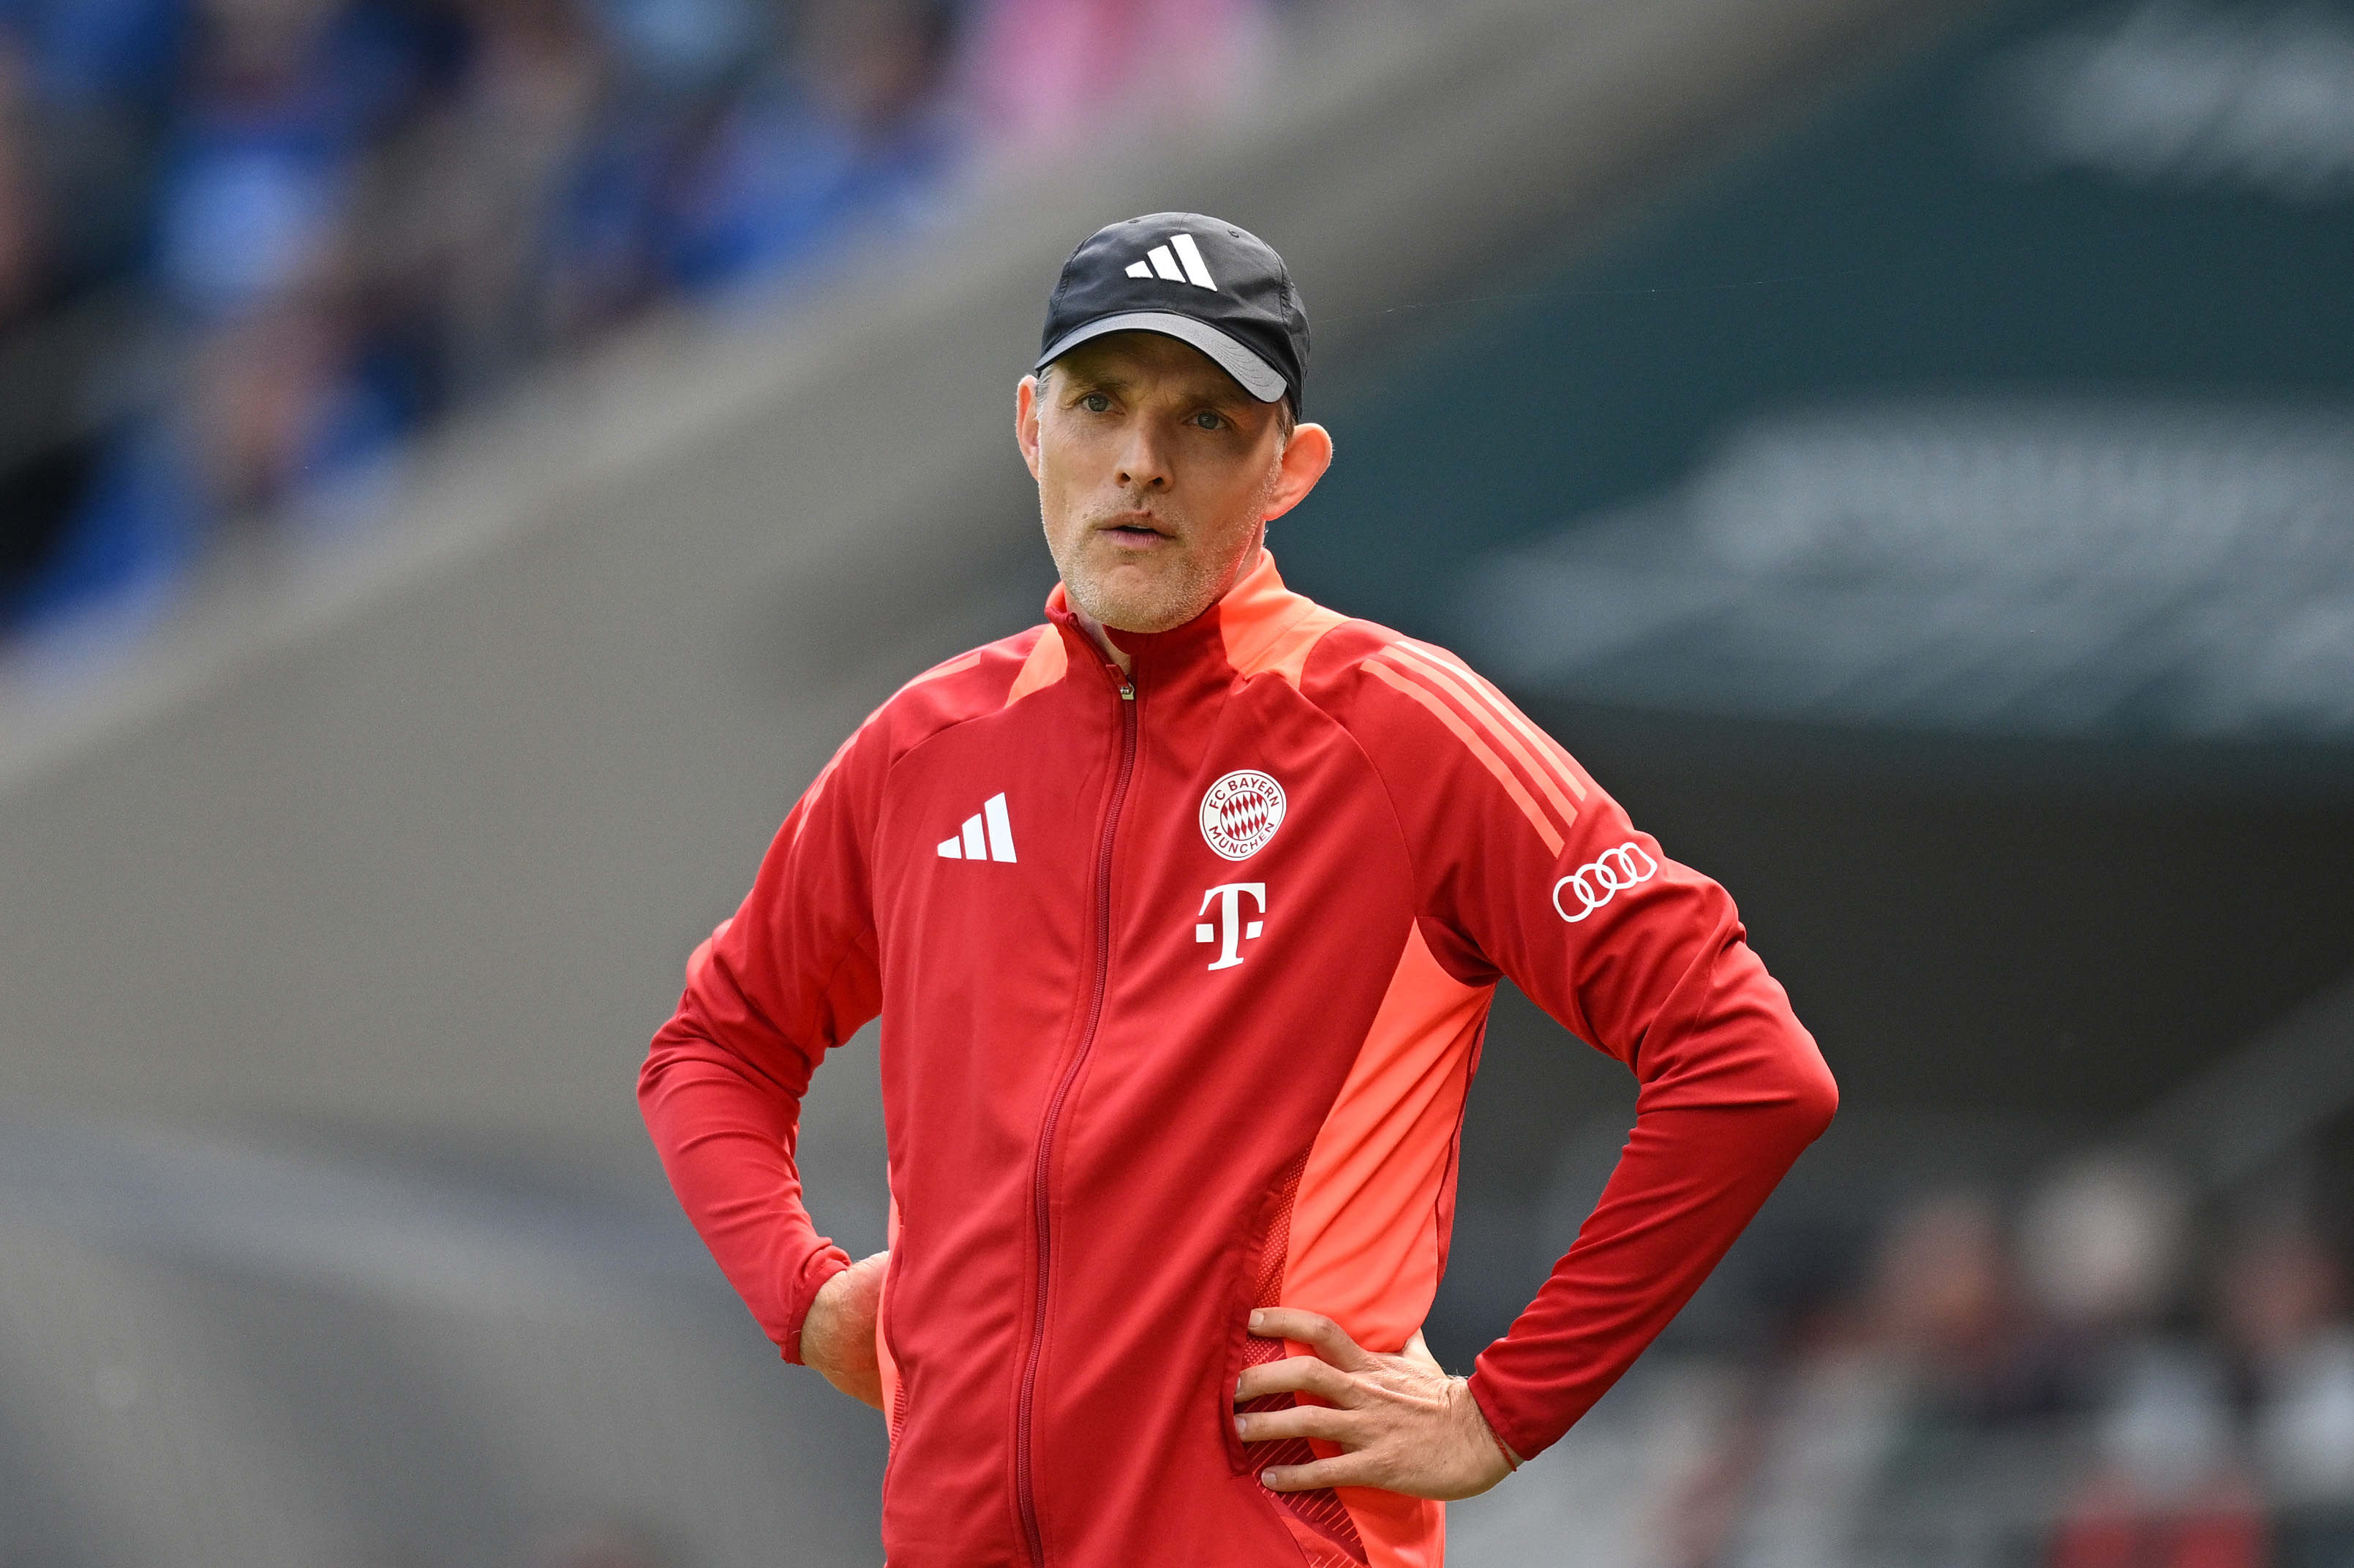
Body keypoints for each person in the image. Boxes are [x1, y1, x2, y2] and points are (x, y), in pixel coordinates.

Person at [639, 212, 1838, 1567]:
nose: (1141, 464)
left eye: (1207, 421)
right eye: (1102, 404)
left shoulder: (1396, 727)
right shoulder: (926, 747)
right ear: (1032, 424)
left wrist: (1502, 1413)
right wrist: (799, 1296)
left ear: (1290, 467)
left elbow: (1746, 1064)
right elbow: (714, 1048)